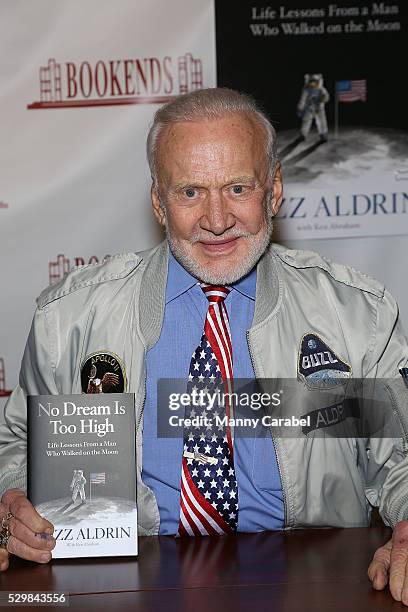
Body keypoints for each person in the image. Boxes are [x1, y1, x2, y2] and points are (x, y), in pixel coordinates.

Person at [0, 87, 407, 604]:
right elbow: (17, 445)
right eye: (190, 192)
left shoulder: (354, 315)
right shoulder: (72, 319)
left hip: (311, 582)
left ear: (275, 190)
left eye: (238, 188)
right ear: (158, 201)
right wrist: (12, 496)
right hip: (124, 584)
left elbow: (401, 456)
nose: (217, 219)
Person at [297, 73, 329, 142]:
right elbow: (302, 100)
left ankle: (323, 135)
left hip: (319, 108)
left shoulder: (321, 89)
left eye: (314, 81)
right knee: (306, 121)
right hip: (309, 108)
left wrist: (323, 98)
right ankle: (303, 134)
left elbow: (326, 98)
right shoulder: (306, 89)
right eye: (311, 81)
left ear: (318, 81)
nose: (313, 83)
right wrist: (300, 108)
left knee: (322, 122)